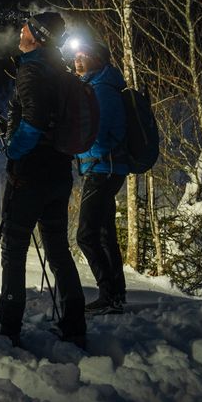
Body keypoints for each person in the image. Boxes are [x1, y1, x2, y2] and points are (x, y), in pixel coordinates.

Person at [0, 11, 87, 347]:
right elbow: (43, 119)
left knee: (14, 248)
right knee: (58, 248)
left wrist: (14, 152)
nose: (20, 29)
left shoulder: (32, 70)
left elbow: (33, 123)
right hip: (60, 169)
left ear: (38, 35)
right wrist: (11, 128)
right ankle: (75, 324)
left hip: (31, 173)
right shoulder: (60, 69)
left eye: (26, 27)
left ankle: (10, 325)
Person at [73, 39, 129, 314]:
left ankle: (108, 294)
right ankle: (116, 295)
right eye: (76, 55)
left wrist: (78, 145)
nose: (78, 59)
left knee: (85, 234)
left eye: (84, 55)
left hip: (102, 169)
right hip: (106, 169)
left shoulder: (102, 89)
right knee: (105, 234)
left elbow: (100, 132)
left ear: (99, 59)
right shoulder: (97, 86)